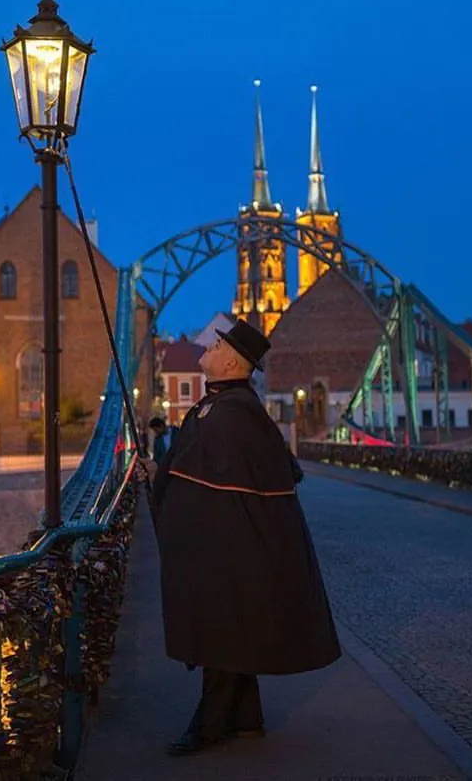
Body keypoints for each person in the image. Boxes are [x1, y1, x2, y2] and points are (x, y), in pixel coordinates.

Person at [141, 319, 341, 756]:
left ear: (232, 361)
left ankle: (210, 724)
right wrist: (162, 472)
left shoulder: (234, 413)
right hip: (229, 544)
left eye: (216, 344)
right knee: (232, 627)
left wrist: (165, 476)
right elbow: (200, 467)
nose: (208, 347)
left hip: (231, 547)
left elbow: (208, 473)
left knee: (221, 629)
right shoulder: (225, 407)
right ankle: (247, 719)